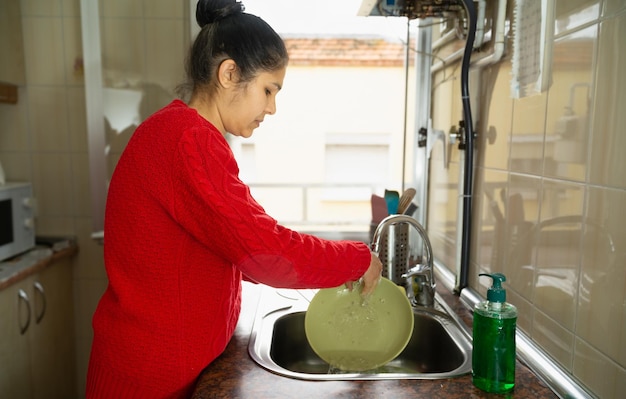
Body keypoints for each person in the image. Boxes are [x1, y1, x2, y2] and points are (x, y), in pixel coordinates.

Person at [85, 0, 382, 398]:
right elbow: (262, 250)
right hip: (148, 380)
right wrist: (355, 259)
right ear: (229, 74)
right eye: (268, 90)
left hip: (161, 369)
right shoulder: (188, 141)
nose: (272, 108)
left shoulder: (186, 134)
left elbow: (238, 236)